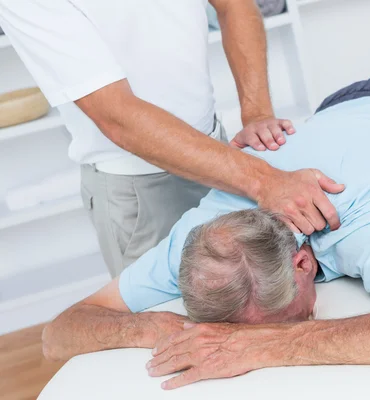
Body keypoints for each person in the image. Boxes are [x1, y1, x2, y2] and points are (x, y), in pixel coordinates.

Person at [42, 27, 370, 390]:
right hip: (347, 104)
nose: (236, 338)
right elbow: (59, 334)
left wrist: (269, 345)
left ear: (302, 262)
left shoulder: (354, 226)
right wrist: (147, 325)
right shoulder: (203, 244)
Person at [0, 0, 343, 278]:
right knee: (179, 329)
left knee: (263, 300)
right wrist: (264, 180)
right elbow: (117, 115)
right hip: (139, 191)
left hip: (223, 153)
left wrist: (256, 113)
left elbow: (235, 5)